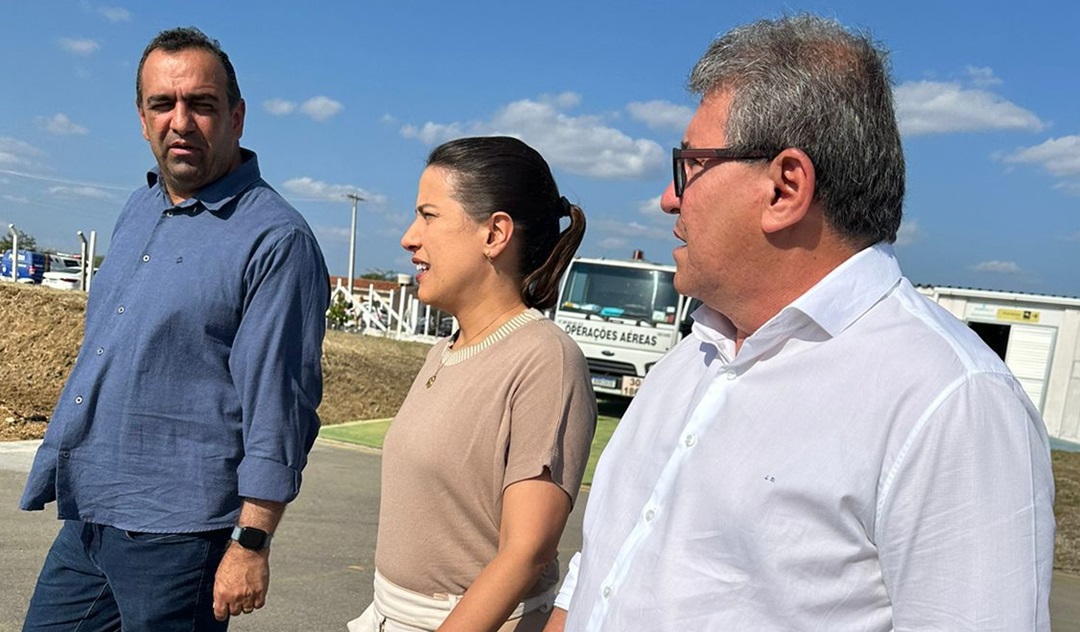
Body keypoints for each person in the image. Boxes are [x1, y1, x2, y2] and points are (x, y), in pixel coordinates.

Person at [545, 15, 1056, 632]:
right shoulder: (694, 357)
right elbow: (602, 572)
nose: (669, 198)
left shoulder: (952, 401)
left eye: (690, 165)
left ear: (786, 187)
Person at [20, 27, 329, 631]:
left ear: (236, 117)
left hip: (179, 539)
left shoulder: (275, 240)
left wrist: (251, 543)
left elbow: (280, 407)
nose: (180, 121)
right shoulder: (140, 208)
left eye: (202, 104)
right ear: (142, 118)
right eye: (163, 104)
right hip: (92, 516)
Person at [347, 136, 597, 632]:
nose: (409, 237)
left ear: (494, 234)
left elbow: (526, 552)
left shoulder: (545, 358)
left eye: (429, 215)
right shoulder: (446, 350)